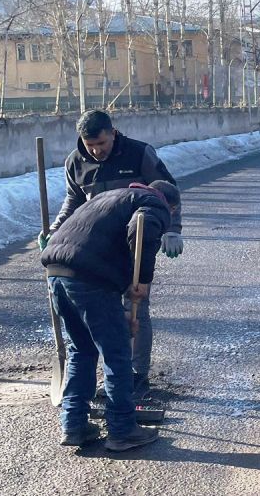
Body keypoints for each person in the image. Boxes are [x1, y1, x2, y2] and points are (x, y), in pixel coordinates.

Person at [40, 109, 183, 399]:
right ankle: (107, 378)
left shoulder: (139, 154)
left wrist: (171, 229)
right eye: (90, 145)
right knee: (97, 319)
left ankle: (136, 375)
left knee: (135, 308)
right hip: (94, 250)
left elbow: (167, 194)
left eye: (101, 144)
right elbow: (75, 200)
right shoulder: (75, 161)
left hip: (135, 246)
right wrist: (58, 229)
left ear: (113, 133)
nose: (96, 150)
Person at [41, 180, 180, 451]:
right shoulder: (153, 203)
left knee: (81, 349)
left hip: (56, 272)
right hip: (89, 278)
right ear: (171, 206)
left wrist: (123, 304)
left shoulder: (111, 196)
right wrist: (141, 282)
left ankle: (74, 425)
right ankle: (122, 429)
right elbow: (143, 228)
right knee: (117, 353)